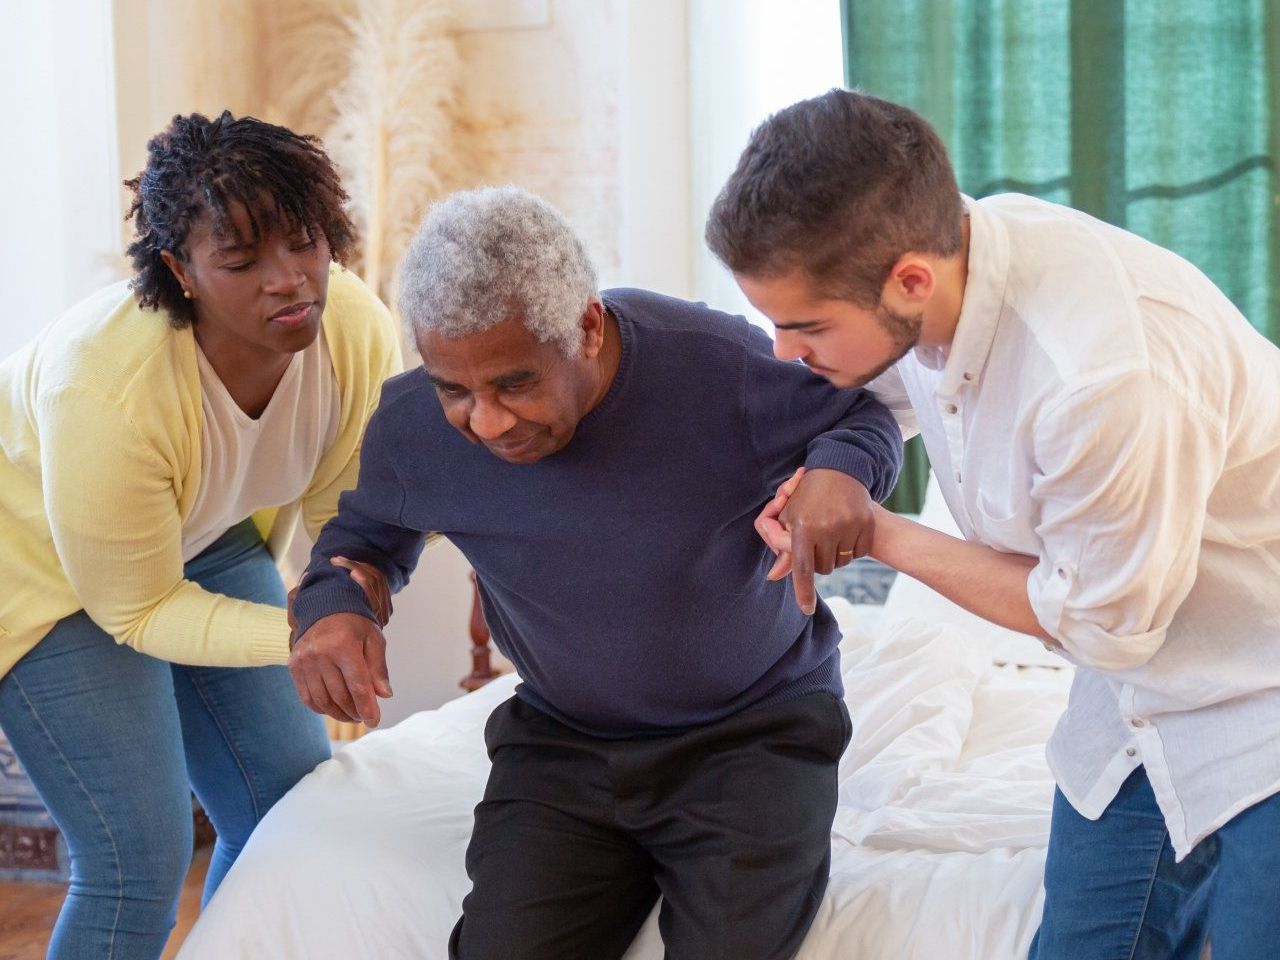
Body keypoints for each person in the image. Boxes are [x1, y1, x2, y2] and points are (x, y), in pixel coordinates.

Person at [706, 88, 1280, 960]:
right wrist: (829, 469)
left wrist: (881, 533)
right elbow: (882, 397)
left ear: (909, 280)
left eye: (806, 325)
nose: (786, 351)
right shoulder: (952, 262)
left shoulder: (1097, 379)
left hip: (1259, 700)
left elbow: (1100, 624)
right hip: (1134, 710)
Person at [286, 185, 902, 960]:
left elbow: (861, 417)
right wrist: (336, 605)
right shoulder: (413, 428)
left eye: (514, 383)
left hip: (754, 732)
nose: (487, 421)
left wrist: (841, 475)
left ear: (584, 325)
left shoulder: (718, 366)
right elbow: (365, 538)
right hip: (565, 743)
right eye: (456, 390)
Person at [0, 111, 400, 960]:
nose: (289, 281)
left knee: (288, 805)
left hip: (200, 527)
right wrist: (305, 630)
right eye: (242, 260)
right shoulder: (106, 389)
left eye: (303, 243)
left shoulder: (355, 331)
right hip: (39, 565)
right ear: (181, 270)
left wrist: (345, 606)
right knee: (136, 857)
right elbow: (138, 609)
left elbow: (349, 517)